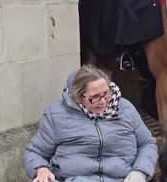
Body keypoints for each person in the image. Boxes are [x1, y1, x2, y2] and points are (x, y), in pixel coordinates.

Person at [22, 65, 158, 182]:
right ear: (77, 97)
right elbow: (34, 153)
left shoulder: (125, 108)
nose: (104, 101)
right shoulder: (57, 114)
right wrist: (41, 169)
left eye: (106, 93)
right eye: (95, 97)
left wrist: (140, 171)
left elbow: (147, 143)